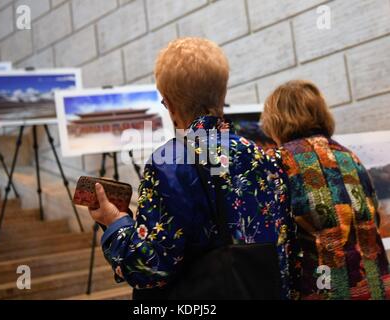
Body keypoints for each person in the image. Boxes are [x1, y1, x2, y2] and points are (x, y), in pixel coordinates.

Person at [88, 37, 292, 299]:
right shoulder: (261, 155)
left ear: (170, 105)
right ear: (222, 93)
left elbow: (148, 269)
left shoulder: (168, 163)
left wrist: (115, 222)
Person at [260, 80, 390, 300]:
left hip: (323, 289)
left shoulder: (278, 163)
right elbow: (374, 216)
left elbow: (271, 234)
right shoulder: (349, 156)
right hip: (375, 287)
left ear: (275, 120)